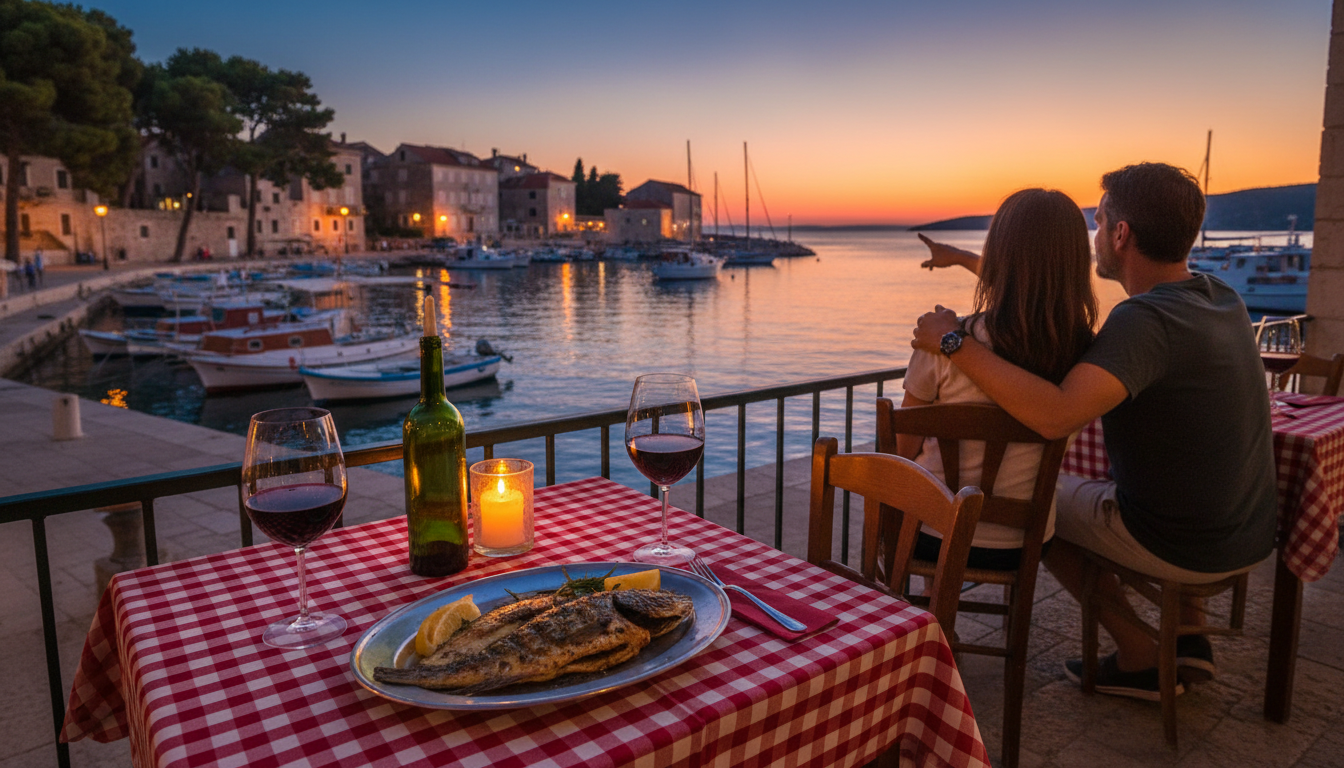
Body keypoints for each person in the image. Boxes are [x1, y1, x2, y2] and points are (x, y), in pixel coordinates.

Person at [912, 162, 1276, 701]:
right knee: (1050, 496)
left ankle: (1139, 651)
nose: (1095, 237)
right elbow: (1038, 286)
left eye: (1101, 222)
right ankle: (1190, 636)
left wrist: (952, 343)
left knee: (1037, 506)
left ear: (1122, 233)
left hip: (1183, 541)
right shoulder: (1218, 297)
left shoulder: (1143, 322)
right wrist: (968, 261)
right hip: (1247, 529)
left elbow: (1056, 414)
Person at [900, 189, 1097, 571]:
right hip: (1023, 543)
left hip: (930, 535)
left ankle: (928, 611)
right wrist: (957, 257)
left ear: (999, 253)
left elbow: (900, 450)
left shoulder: (944, 342)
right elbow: (1035, 290)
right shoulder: (1091, 357)